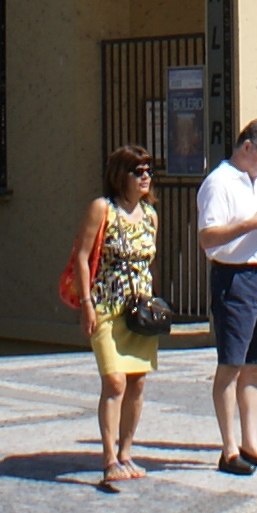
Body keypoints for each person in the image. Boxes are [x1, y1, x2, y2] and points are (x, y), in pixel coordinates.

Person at [63, 144, 162, 489]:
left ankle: (126, 453)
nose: (146, 176)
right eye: (138, 171)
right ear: (122, 175)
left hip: (139, 311)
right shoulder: (101, 209)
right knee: (115, 381)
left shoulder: (150, 215)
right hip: (106, 305)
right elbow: (82, 255)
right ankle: (108, 458)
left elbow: (149, 261)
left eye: (149, 169)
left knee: (137, 382)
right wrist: (87, 303)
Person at [196, 118, 257, 473]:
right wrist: (254, 223)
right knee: (231, 364)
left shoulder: (256, 184)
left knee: (254, 366)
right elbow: (208, 237)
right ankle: (229, 449)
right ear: (247, 146)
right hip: (235, 279)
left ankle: (252, 444)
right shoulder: (219, 182)